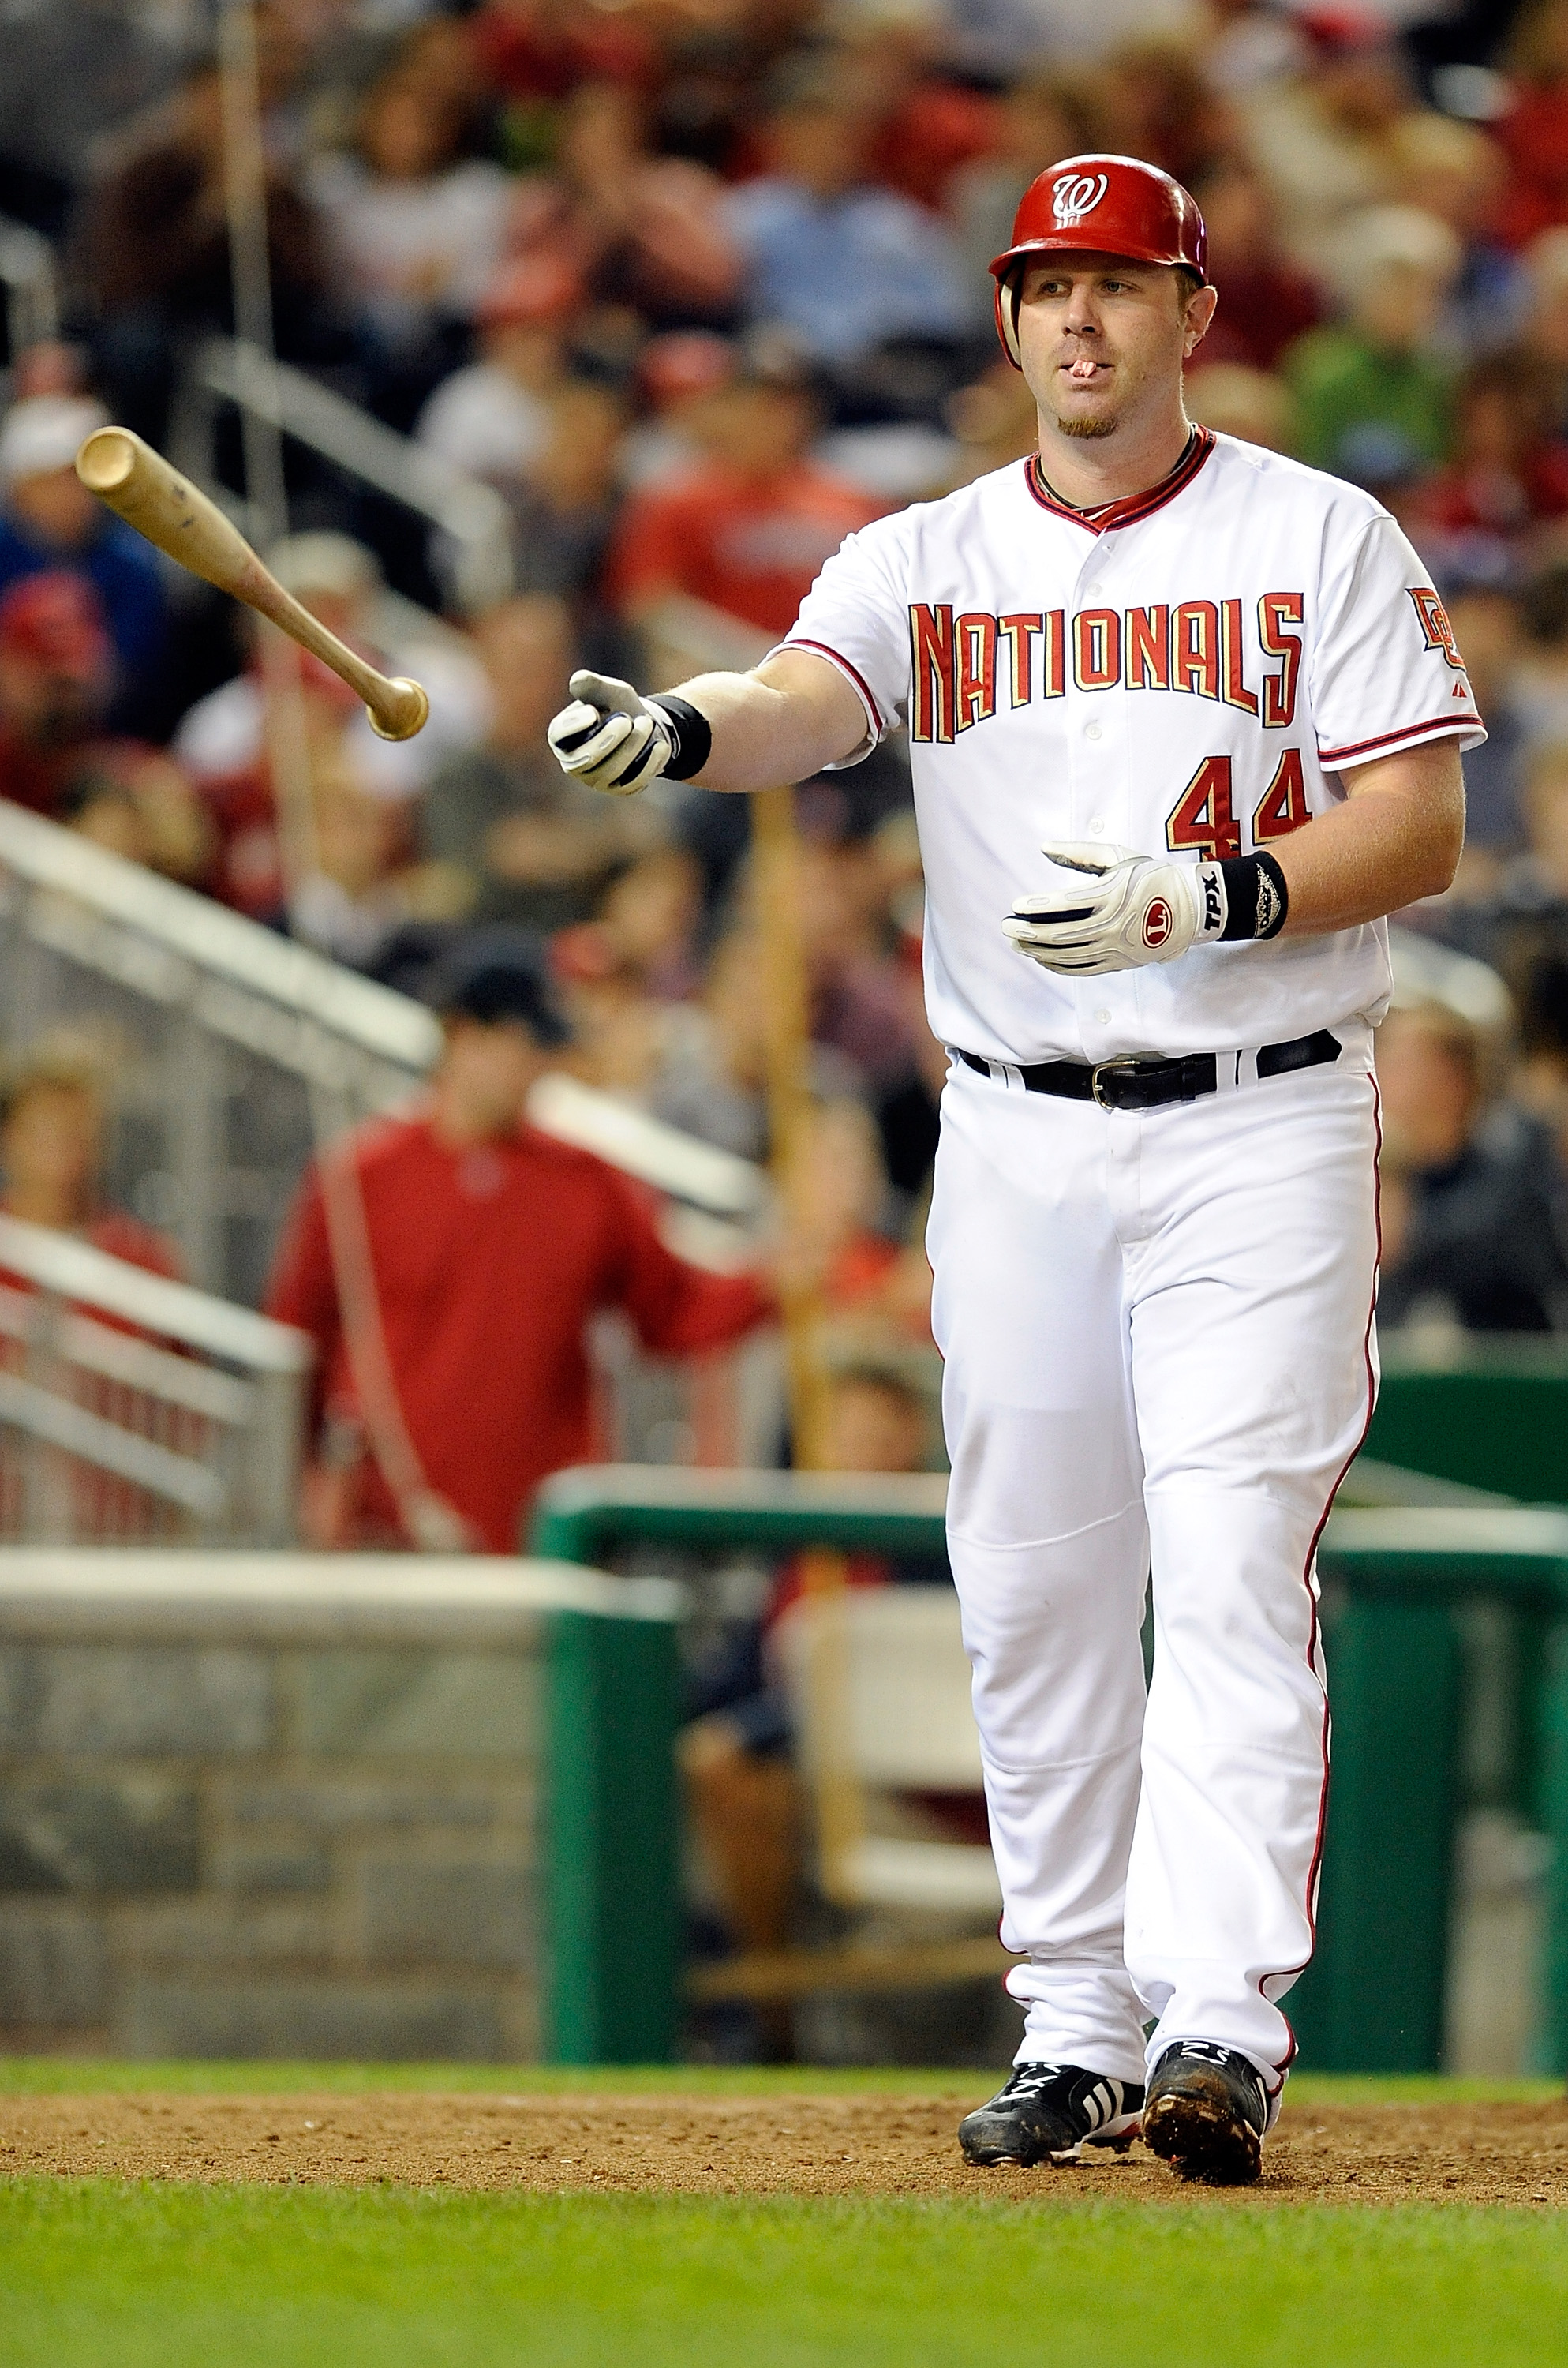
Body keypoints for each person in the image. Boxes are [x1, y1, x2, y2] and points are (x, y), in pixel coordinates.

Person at [548, 154, 1479, 2183]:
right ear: (1002, 320)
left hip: (1258, 1098)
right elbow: (807, 698)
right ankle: (1070, 2018)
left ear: (1186, 313)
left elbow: (1413, 825)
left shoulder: (1310, 530)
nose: (1076, 320)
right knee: (1033, 1574)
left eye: (1115, 286)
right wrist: (681, 733)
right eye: (1044, 286)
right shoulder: (923, 551)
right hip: (1013, 1123)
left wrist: (1214, 888)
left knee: (1231, 1555)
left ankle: (1218, 2018)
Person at [265, 932, 776, 1554]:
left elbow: (669, 1310)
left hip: (544, 1530)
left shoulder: (583, 1182)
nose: (536, 1068)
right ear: (461, 1038)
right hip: (391, 1527)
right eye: (520, 1045)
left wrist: (772, 1285)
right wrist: (303, 1482)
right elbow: (297, 1343)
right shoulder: (357, 1180)